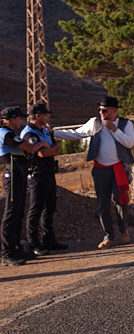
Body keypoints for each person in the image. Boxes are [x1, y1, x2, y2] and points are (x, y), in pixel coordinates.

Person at [58, 96, 134, 249]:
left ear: (114, 111)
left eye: (104, 110)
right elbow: (76, 134)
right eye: (100, 109)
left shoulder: (126, 124)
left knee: (121, 201)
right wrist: (53, 133)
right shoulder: (95, 123)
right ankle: (109, 236)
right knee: (103, 204)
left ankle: (123, 230)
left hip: (119, 168)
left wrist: (115, 130)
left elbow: (129, 143)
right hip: (100, 169)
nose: (101, 113)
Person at [20, 104, 68, 255]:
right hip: (38, 175)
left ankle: (49, 239)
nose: (47, 117)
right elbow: (42, 154)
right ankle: (34, 243)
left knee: (50, 207)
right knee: (36, 209)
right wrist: (49, 150)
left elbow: (57, 149)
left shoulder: (45, 131)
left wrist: (49, 150)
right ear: (37, 115)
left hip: (49, 172)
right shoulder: (29, 133)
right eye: (45, 114)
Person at [1, 107, 46, 266]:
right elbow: (29, 147)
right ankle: (6, 252)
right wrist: (40, 143)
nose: (21, 120)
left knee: (18, 212)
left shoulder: (11, 134)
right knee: (11, 213)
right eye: (19, 118)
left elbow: (26, 149)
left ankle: (15, 248)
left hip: (19, 174)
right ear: (12, 119)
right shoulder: (5, 134)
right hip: (12, 174)